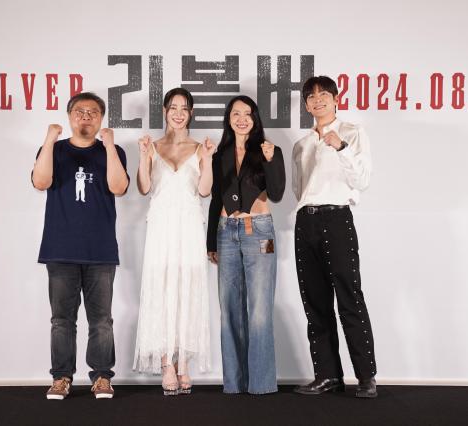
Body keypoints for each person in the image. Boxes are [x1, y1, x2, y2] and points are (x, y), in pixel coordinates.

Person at [31, 91, 129, 400]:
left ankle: (101, 376)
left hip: (100, 249)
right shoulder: (54, 150)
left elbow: (118, 187)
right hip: (60, 248)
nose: (85, 116)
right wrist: (49, 139)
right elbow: (41, 181)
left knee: (101, 319)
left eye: (93, 112)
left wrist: (110, 145)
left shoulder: (112, 151)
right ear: (70, 116)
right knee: (62, 320)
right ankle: (61, 377)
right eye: (79, 111)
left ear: (101, 118)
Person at [291, 76, 377, 398]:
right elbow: (299, 189)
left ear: (336, 98)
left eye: (323, 94)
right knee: (315, 302)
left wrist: (340, 146)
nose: (317, 101)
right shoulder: (301, 144)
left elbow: (363, 179)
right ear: (306, 105)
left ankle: (366, 376)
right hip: (306, 220)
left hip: (337, 218)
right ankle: (327, 375)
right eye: (311, 97)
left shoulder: (353, 133)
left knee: (349, 297)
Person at [133, 88, 215, 395]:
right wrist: (143, 156)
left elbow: (205, 191)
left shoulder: (199, 147)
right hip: (161, 227)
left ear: (191, 113)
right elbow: (143, 187)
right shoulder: (151, 146)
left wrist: (206, 160)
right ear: (165, 111)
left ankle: (184, 366)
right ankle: (166, 363)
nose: (178, 113)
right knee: (162, 287)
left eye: (184, 108)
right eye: (173, 107)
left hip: (190, 226)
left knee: (187, 288)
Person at [206, 95, 285, 394]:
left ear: (255, 118)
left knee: (260, 309)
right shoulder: (220, 154)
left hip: (260, 231)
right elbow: (216, 198)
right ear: (228, 118)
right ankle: (234, 383)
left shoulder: (267, 149)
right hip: (226, 232)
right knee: (229, 309)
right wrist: (211, 240)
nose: (242, 118)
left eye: (247, 114)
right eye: (236, 113)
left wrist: (271, 160)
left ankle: (262, 384)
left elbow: (276, 193)